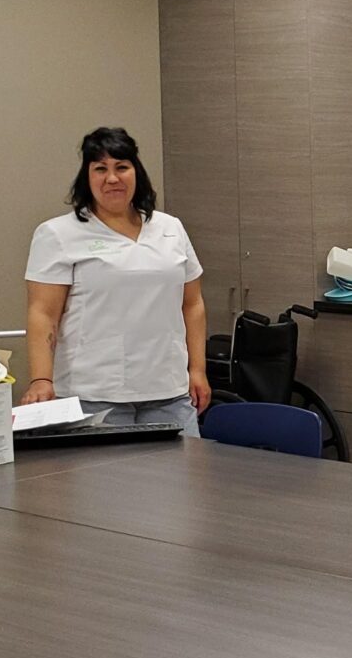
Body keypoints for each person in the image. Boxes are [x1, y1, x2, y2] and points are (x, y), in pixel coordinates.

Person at [19, 127, 211, 435]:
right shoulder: (58, 234)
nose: (112, 178)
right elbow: (43, 313)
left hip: (169, 391)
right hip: (94, 396)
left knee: (184, 467)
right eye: (100, 169)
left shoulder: (170, 228)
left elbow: (192, 304)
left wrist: (197, 370)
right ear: (87, 176)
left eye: (122, 167)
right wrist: (41, 379)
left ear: (136, 172)